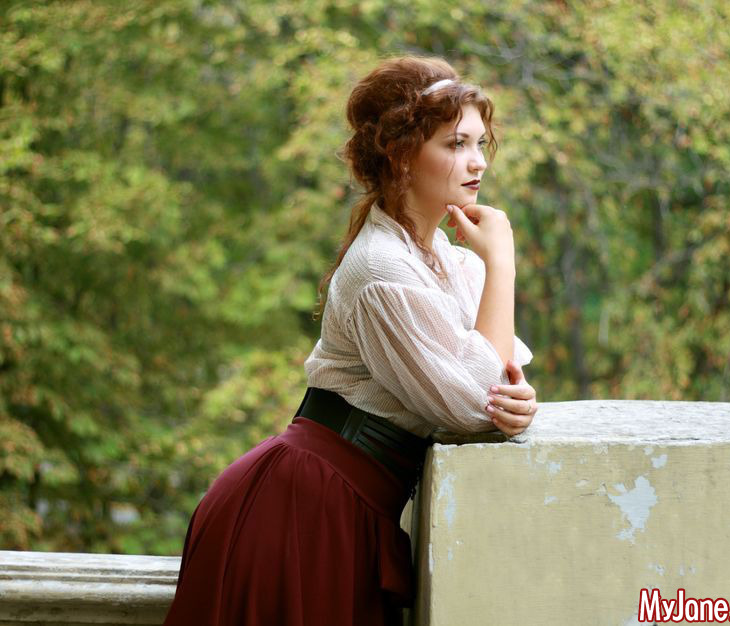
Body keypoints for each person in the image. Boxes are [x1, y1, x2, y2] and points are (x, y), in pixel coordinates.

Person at [161, 54, 538, 626]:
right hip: (301, 507)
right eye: (456, 144)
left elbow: (499, 368)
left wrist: (519, 399)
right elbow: (474, 403)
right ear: (402, 154)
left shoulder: (447, 261)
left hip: (350, 506)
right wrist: (502, 261)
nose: (478, 161)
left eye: (480, 143)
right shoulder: (382, 269)